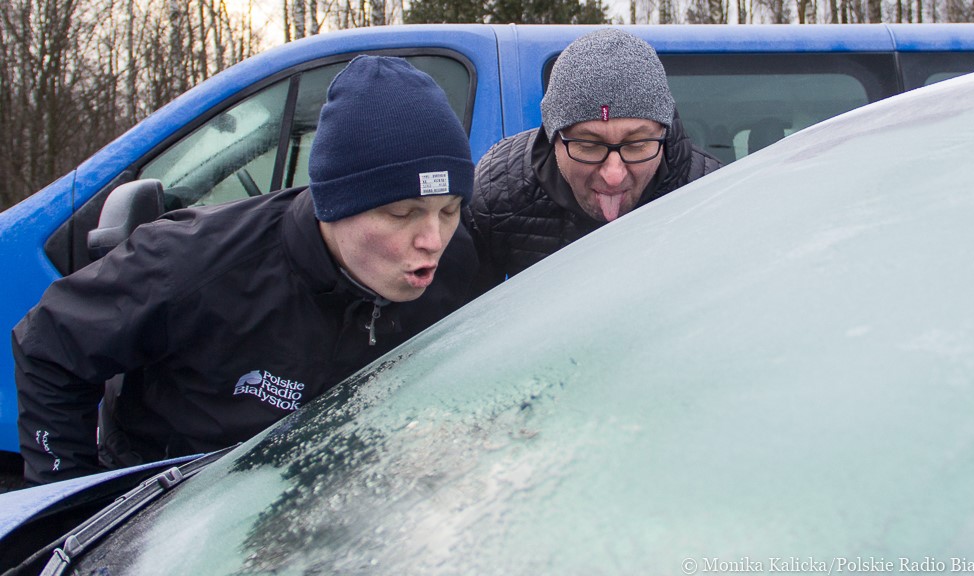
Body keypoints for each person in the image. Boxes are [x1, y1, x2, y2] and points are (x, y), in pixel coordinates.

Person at [13, 55, 478, 485]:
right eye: (402, 213)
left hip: (329, 506)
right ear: (335, 204)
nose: (433, 240)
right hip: (167, 511)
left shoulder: (453, 264)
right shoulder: (195, 262)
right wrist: (67, 499)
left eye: (450, 209)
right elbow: (50, 345)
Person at [467, 28, 722, 292]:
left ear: (664, 133)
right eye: (588, 145)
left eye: (636, 145)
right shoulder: (501, 191)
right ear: (553, 136)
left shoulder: (714, 199)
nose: (614, 175)